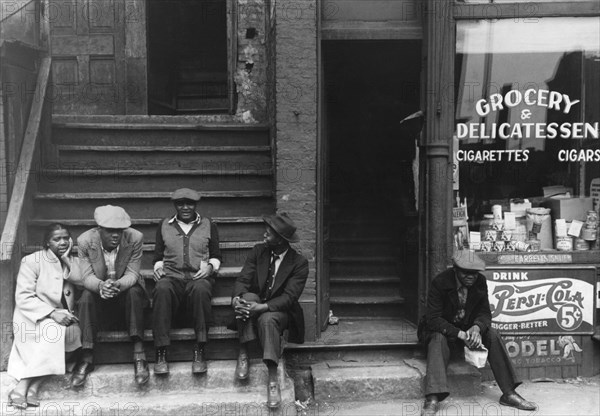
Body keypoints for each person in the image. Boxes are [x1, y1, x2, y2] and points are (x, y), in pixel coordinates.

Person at [418, 250, 537, 416]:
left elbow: (485, 313)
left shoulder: (480, 282)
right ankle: (432, 398)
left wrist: (476, 328)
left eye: (474, 273)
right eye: (466, 273)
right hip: (442, 332)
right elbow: (433, 319)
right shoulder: (440, 282)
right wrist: (461, 334)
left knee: (493, 334)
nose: (470, 277)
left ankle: (509, 393)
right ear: (455, 270)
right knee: (438, 338)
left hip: (466, 331)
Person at [231, 212, 309, 409]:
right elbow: (243, 280)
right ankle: (244, 350)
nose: (265, 235)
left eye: (270, 233)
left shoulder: (299, 263)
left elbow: (289, 298)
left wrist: (263, 307)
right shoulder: (259, 252)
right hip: (256, 302)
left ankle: (273, 378)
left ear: (282, 240)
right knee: (246, 300)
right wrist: (236, 299)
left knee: (267, 319)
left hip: (280, 311)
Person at [7, 224, 81, 409]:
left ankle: (33, 385)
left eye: (66, 238)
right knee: (53, 331)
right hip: (32, 317)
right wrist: (51, 313)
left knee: (74, 336)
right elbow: (23, 297)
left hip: (64, 317)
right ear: (47, 242)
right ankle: (24, 387)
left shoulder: (74, 261)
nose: (62, 242)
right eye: (57, 239)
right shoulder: (32, 261)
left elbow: (82, 281)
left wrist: (66, 259)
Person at [74, 205, 148, 387]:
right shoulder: (84, 240)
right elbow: (86, 277)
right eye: (110, 231)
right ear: (99, 229)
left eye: (119, 230)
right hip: (100, 295)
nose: (116, 235)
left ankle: (139, 354)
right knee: (85, 297)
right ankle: (87, 356)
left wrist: (117, 285)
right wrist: (101, 286)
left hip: (125, 293)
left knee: (134, 291)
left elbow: (132, 274)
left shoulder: (135, 238)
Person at [152, 188, 222, 375]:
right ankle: (161, 350)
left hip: (197, 277)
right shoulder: (164, 225)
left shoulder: (208, 224)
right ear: (175, 205)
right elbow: (158, 255)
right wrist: (158, 268)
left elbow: (216, 255)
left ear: (195, 205)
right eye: (180, 204)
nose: (185, 207)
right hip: (172, 277)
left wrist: (210, 268)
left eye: (189, 203)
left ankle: (200, 348)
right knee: (161, 289)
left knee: (201, 290)